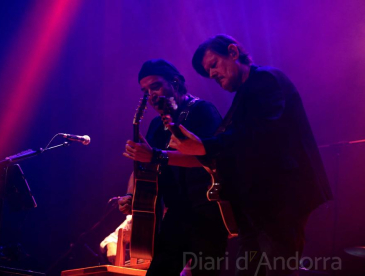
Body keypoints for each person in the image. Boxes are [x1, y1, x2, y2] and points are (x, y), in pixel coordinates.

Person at [169, 35, 333, 276]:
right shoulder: (245, 95)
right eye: (207, 72)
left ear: (233, 52)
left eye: (214, 64)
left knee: (278, 269)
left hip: (279, 201)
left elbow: (259, 133)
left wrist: (204, 146)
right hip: (256, 206)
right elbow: (236, 146)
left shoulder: (265, 80)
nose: (212, 74)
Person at [119, 59, 228, 276]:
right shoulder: (156, 125)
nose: (151, 95)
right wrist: (131, 196)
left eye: (155, 86)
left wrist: (156, 155)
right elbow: (143, 166)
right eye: (145, 90)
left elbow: (211, 158)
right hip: (177, 213)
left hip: (208, 211)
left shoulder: (201, 110)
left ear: (175, 83)